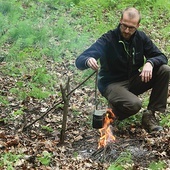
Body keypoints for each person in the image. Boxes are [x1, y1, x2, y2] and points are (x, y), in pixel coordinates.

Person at [75, 7, 170, 132]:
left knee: (164, 69)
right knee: (134, 104)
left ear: (137, 25)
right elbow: (80, 60)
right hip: (111, 84)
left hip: (133, 79)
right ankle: (110, 114)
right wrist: (88, 60)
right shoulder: (109, 39)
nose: (126, 30)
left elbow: (161, 57)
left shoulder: (140, 38)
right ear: (120, 20)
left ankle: (150, 116)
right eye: (124, 25)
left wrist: (150, 62)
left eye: (131, 28)